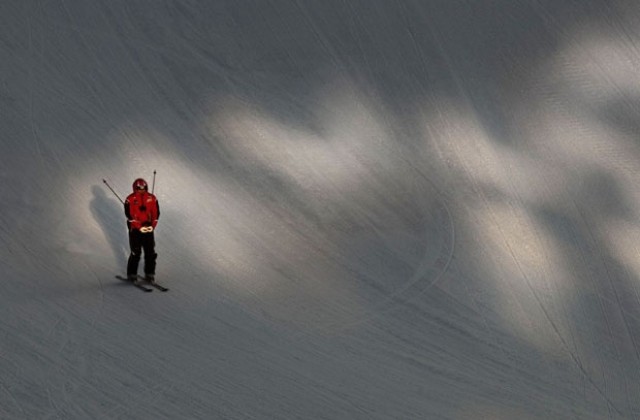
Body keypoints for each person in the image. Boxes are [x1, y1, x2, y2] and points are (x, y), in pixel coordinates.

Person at [125, 178, 160, 284]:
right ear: (135, 188)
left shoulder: (152, 198)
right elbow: (129, 215)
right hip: (135, 229)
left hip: (148, 229)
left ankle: (150, 274)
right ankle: (132, 274)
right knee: (136, 252)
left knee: (150, 252)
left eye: (143, 188)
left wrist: (152, 226)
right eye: (139, 188)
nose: (141, 190)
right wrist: (139, 226)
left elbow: (156, 213)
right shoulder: (130, 199)